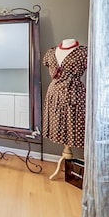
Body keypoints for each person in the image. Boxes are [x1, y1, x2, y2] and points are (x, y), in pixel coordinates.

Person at [42, 39, 88, 179]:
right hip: (54, 94)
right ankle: (66, 156)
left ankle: (73, 163)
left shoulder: (83, 52)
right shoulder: (51, 52)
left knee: (74, 126)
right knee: (58, 125)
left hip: (74, 94)